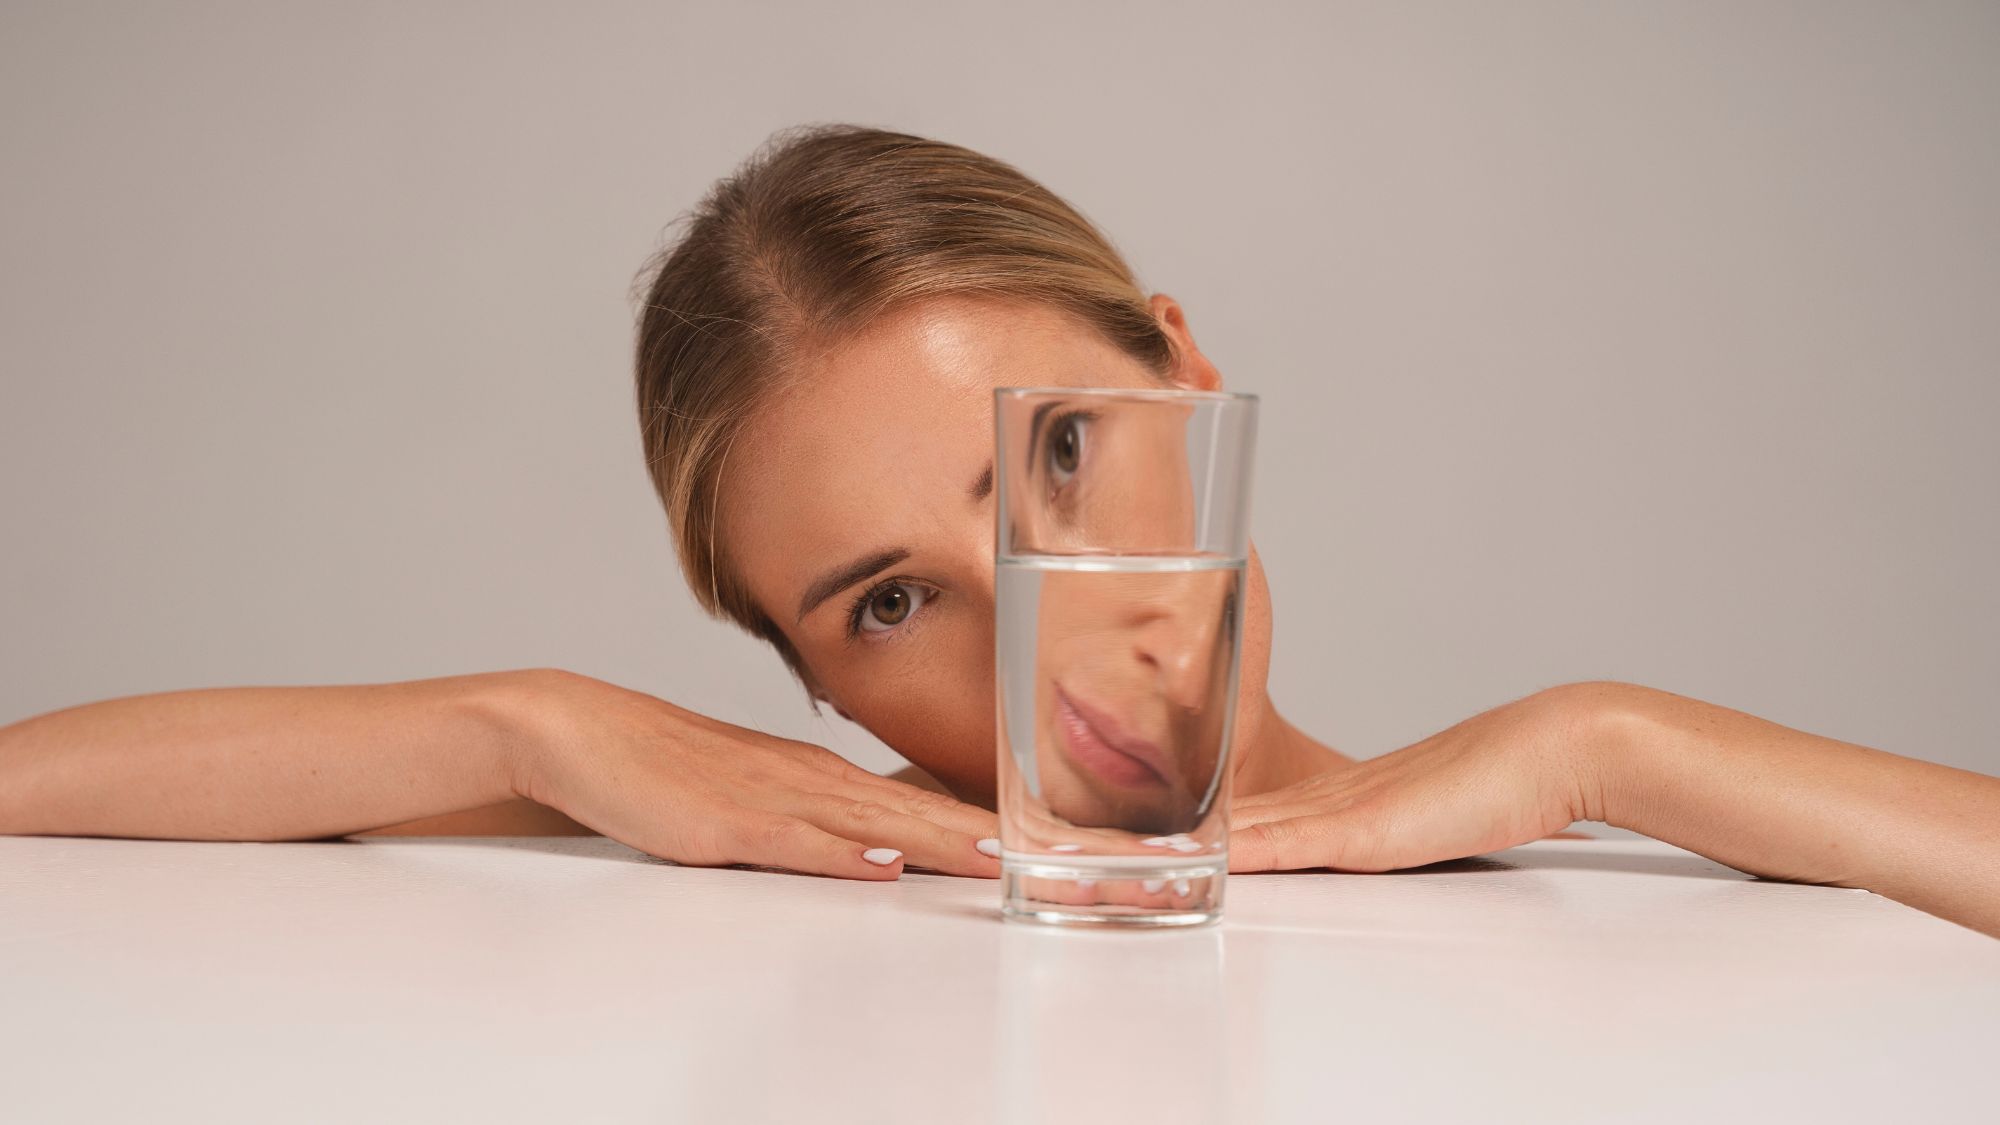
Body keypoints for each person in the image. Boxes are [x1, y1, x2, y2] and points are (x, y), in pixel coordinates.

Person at [1, 125, 1995, 937]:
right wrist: (526, 723)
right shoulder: (818, 854)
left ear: (1186, 377)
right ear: (804, 677)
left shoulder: (1559, 866)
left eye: (1055, 460)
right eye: (887, 602)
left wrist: (1608, 747)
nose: (1048, 628)